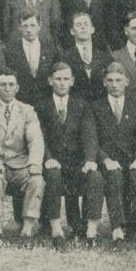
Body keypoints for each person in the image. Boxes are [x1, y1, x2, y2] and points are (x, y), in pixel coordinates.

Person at [36, 63, 99, 248]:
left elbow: (89, 134)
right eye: (58, 79)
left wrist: (89, 160)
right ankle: (56, 229)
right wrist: (47, 157)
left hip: (77, 161)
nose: (62, 83)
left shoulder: (82, 105)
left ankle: (89, 230)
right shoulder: (41, 106)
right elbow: (40, 136)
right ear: (50, 81)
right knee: (54, 176)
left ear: (72, 81)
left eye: (66, 79)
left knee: (94, 176)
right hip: (52, 161)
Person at [90, 62, 136, 251]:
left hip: (131, 159)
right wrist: (105, 160)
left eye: (118, 80)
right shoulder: (95, 107)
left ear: (127, 81)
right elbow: (91, 140)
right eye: (110, 80)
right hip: (107, 161)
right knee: (114, 176)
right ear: (103, 82)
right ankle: (117, 230)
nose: (114, 84)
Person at [0, 69, 45, 242]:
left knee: (37, 181)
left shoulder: (27, 110)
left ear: (17, 88)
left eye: (11, 85)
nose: (7, 89)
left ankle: (27, 230)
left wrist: (35, 163)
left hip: (21, 164)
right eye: (3, 84)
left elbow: (35, 139)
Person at [2, 12, 58, 106]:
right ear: (20, 27)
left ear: (39, 26)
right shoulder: (10, 51)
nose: (29, 30)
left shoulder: (50, 48)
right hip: (21, 100)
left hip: (45, 100)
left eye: (32, 25)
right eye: (25, 26)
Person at [60, 12, 112, 101]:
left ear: (92, 29)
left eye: (86, 24)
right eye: (78, 25)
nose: (83, 27)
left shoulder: (105, 56)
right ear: (72, 31)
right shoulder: (64, 57)